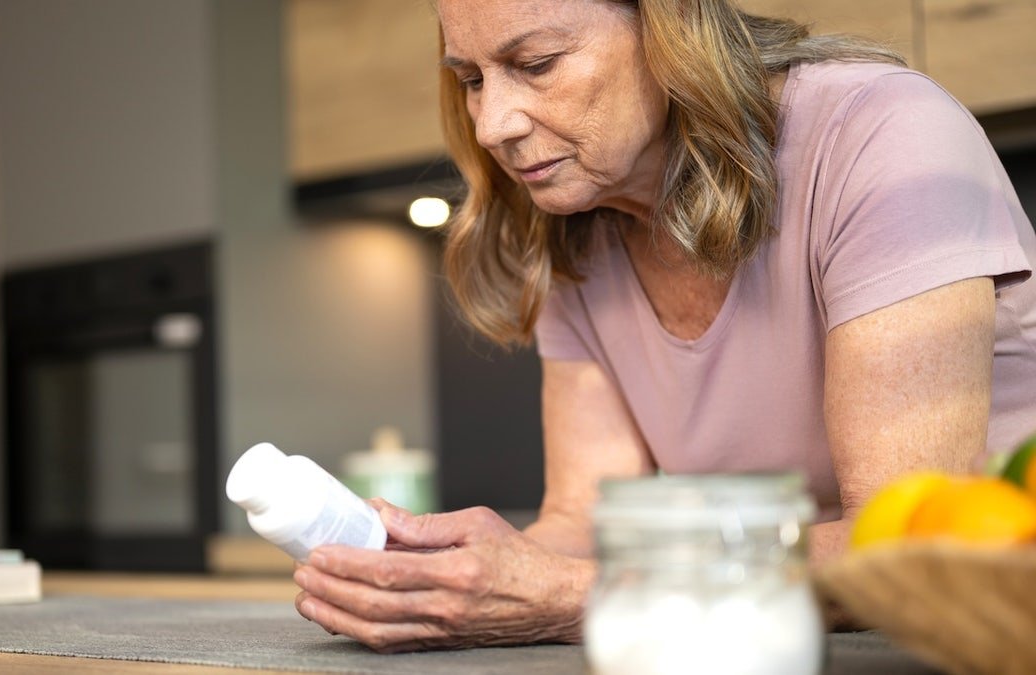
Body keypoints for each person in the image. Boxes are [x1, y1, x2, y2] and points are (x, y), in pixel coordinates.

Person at [293, 0, 1036, 652]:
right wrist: (442, 575)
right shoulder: (576, 219)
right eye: (472, 80)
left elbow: (897, 548)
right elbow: (583, 519)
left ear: (667, 25)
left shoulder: (882, 134)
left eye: (537, 63)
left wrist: (566, 596)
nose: (491, 124)